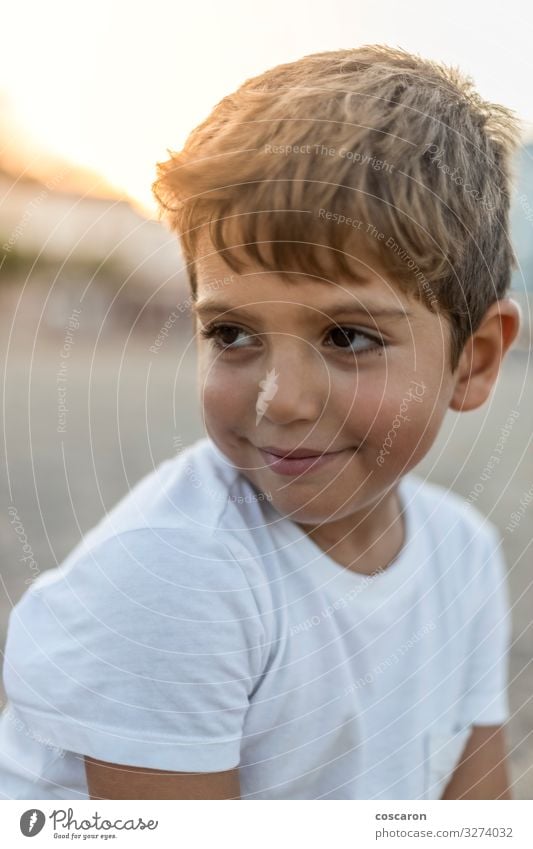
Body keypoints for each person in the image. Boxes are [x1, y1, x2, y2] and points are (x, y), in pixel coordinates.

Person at [0, 45, 522, 800]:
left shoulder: (462, 554)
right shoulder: (174, 579)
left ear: (471, 362)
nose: (279, 399)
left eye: (347, 337)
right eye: (232, 333)